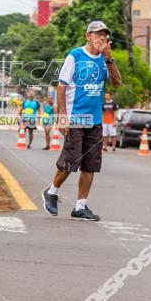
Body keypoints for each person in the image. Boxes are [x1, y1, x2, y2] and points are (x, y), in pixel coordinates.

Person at [41, 21, 122, 221]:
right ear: (88, 36)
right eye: (97, 34)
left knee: (90, 164)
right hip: (75, 117)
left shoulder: (105, 59)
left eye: (104, 35)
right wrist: (62, 116)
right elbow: (61, 86)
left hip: (95, 120)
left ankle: (80, 206)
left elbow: (117, 83)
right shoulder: (75, 55)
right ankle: (52, 192)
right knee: (71, 160)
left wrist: (109, 59)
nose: (101, 38)